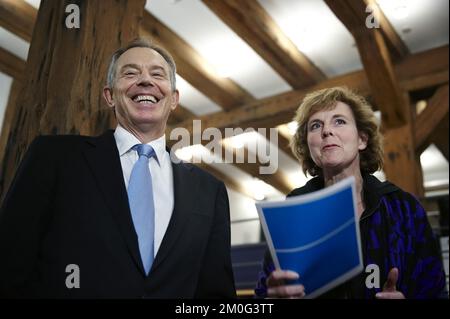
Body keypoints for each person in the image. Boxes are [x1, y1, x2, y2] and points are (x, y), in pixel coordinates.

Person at [0, 38, 236, 298]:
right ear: (110, 95)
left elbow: (216, 295)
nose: (146, 80)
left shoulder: (209, 190)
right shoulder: (55, 156)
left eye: (157, 74)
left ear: (174, 99)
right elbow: (10, 264)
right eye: (130, 73)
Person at [254, 87, 446, 299]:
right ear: (309, 146)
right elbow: (264, 293)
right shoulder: (292, 213)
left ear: (362, 139)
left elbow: (434, 290)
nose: (326, 131)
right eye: (316, 126)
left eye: (339, 121)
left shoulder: (403, 208)